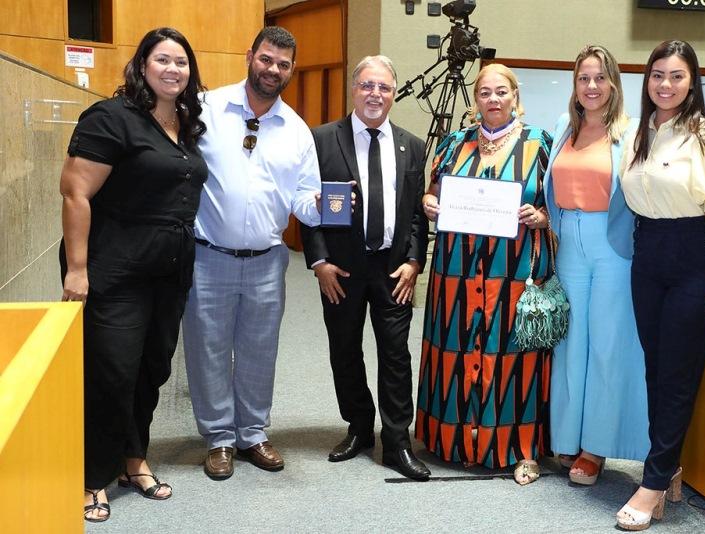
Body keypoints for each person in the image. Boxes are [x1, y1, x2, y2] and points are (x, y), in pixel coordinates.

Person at [59, 27, 207, 522]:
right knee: (111, 373)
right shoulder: (112, 117)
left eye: (181, 62)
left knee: (151, 370)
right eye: (162, 59)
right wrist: (77, 270)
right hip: (115, 268)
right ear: (142, 65)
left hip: (169, 271)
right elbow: (75, 191)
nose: (173, 69)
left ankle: (133, 459)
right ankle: (92, 476)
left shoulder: (185, 125)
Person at [616, 40, 705, 531]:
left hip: (694, 257)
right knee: (655, 369)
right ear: (647, 81)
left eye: (677, 76)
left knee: (677, 374)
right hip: (647, 255)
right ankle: (668, 468)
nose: (666, 85)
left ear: (693, 82)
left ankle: (651, 484)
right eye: (657, 76)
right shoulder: (636, 132)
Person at [182, 26, 320, 480]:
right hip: (208, 256)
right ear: (250, 56)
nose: (272, 70)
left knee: (260, 350)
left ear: (291, 70)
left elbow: (305, 199)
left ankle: (254, 433)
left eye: (282, 64)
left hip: (266, 260)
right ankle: (219, 438)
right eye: (266, 59)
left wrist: (324, 207)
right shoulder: (207, 108)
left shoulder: (298, 131)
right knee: (208, 349)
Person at [416, 63, 552, 485]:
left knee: (512, 358)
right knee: (455, 351)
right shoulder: (453, 143)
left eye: (501, 92)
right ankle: (450, 441)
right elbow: (432, 191)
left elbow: (559, 205)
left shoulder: (540, 144)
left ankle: (521, 448)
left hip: (511, 275)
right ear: (475, 100)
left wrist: (542, 215)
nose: (493, 100)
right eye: (484, 93)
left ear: (515, 96)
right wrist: (428, 202)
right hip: (455, 274)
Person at [299, 55, 430, 480]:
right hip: (341, 269)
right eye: (368, 86)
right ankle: (358, 427)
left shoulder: (413, 144)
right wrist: (319, 261)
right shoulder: (321, 140)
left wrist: (414, 260)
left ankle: (397, 442)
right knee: (345, 349)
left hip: (394, 270)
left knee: (396, 354)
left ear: (394, 93)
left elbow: (415, 213)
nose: (376, 94)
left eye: (385, 88)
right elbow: (308, 206)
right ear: (354, 89)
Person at [543, 45, 650, 485]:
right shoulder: (561, 129)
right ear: (575, 84)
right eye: (584, 78)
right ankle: (567, 439)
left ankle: (595, 449)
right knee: (570, 345)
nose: (591, 86)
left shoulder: (633, 131)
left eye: (600, 78)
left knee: (607, 347)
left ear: (613, 84)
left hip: (612, 246)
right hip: (567, 241)